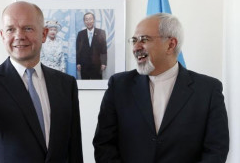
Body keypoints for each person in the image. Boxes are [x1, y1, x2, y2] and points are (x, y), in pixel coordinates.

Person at [0, 1, 83, 163]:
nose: (19, 35)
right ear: (3, 35)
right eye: (11, 29)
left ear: (44, 34)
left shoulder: (66, 84)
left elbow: (74, 147)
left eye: (28, 28)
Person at [93, 13, 229, 163]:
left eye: (144, 39)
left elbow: (216, 149)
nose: (136, 47)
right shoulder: (119, 85)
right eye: (134, 40)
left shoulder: (208, 90)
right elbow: (104, 144)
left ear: (170, 44)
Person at [76, 12, 107, 79]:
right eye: (86, 19)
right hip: (84, 65)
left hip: (97, 64)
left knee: (97, 84)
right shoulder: (80, 34)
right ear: (84, 21)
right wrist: (78, 63)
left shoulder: (101, 32)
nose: (88, 21)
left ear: (94, 20)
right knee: (85, 85)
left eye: (90, 19)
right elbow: (78, 50)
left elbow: (104, 49)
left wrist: (104, 63)